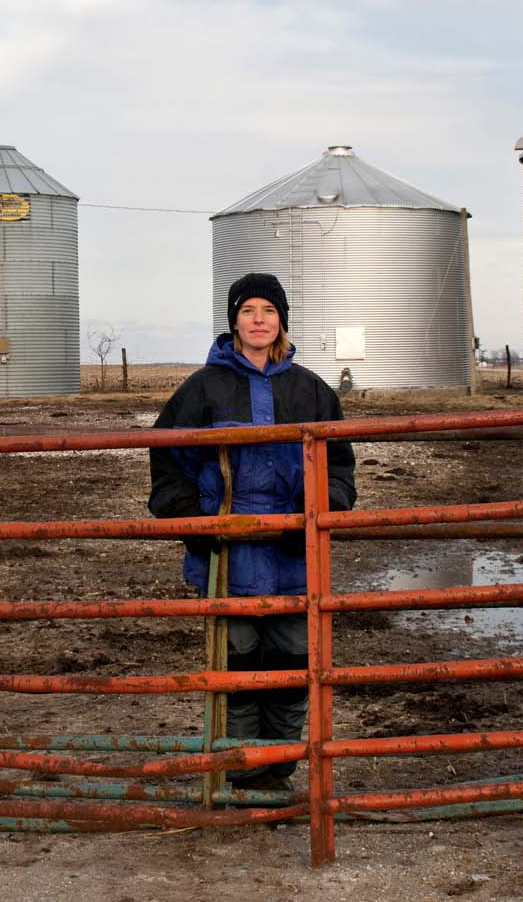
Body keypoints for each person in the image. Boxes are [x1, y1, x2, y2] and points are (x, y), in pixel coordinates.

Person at [148, 272, 356, 790]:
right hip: (227, 557)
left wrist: (322, 507)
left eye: (267, 310)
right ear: (234, 322)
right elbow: (166, 459)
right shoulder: (202, 389)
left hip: (293, 553)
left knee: (290, 669)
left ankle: (280, 771)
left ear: (281, 318)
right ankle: (241, 773)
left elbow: (339, 465)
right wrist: (192, 521)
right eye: (248, 311)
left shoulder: (311, 390)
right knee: (236, 672)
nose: (258, 320)